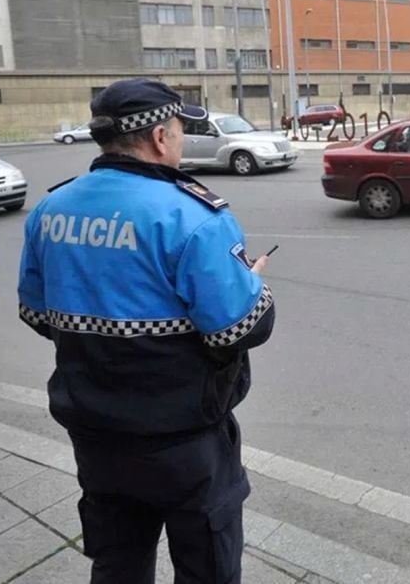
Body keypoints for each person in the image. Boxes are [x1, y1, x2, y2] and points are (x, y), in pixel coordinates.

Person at [17, 78, 275, 584]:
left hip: (93, 430)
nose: (180, 140)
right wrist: (251, 284)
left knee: (117, 563)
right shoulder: (191, 215)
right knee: (207, 566)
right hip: (183, 440)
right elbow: (239, 330)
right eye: (179, 129)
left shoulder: (52, 209)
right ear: (160, 136)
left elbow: (37, 315)